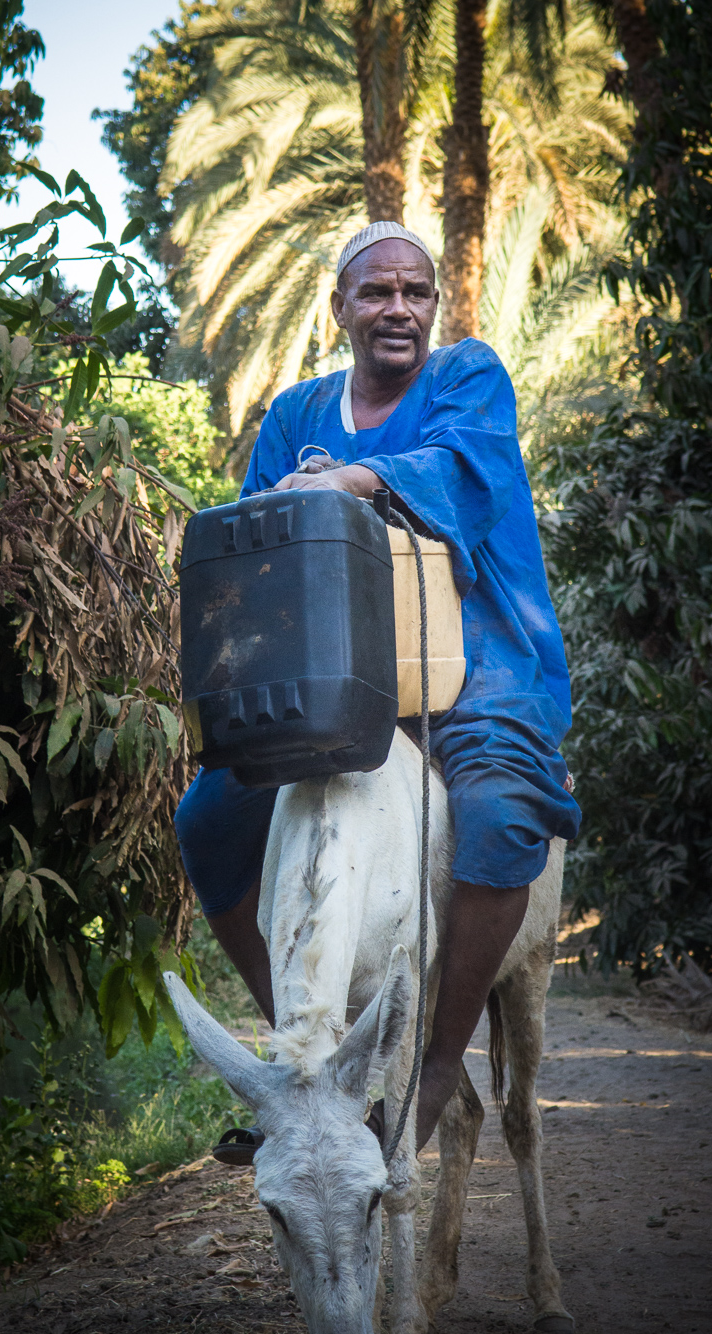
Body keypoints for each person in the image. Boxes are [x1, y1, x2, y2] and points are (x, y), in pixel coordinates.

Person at [174, 220, 581, 1163]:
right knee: (208, 820)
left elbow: (461, 469)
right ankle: (305, 1059)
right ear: (341, 309)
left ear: (434, 305)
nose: (400, 308)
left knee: (499, 816)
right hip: (335, 678)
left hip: (477, 664)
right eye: (377, 293)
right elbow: (262, 542)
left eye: (417, 292)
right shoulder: (294, 413)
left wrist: (356, 478)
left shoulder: (466, 378)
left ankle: (439, 1063)